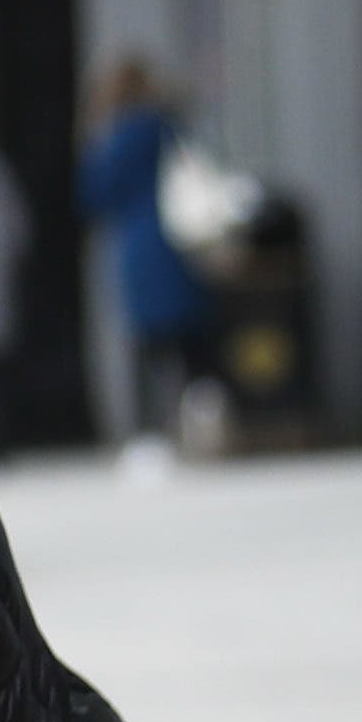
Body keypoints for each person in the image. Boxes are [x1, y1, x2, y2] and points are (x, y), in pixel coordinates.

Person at [76, 57, 212, 445]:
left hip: (139, 245)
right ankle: (202, 421)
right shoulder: (167, 126)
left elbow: (93, 195)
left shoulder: (114, 137)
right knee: (190, 341)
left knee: (148, 346)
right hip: (181, 240)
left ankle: (151, 432)